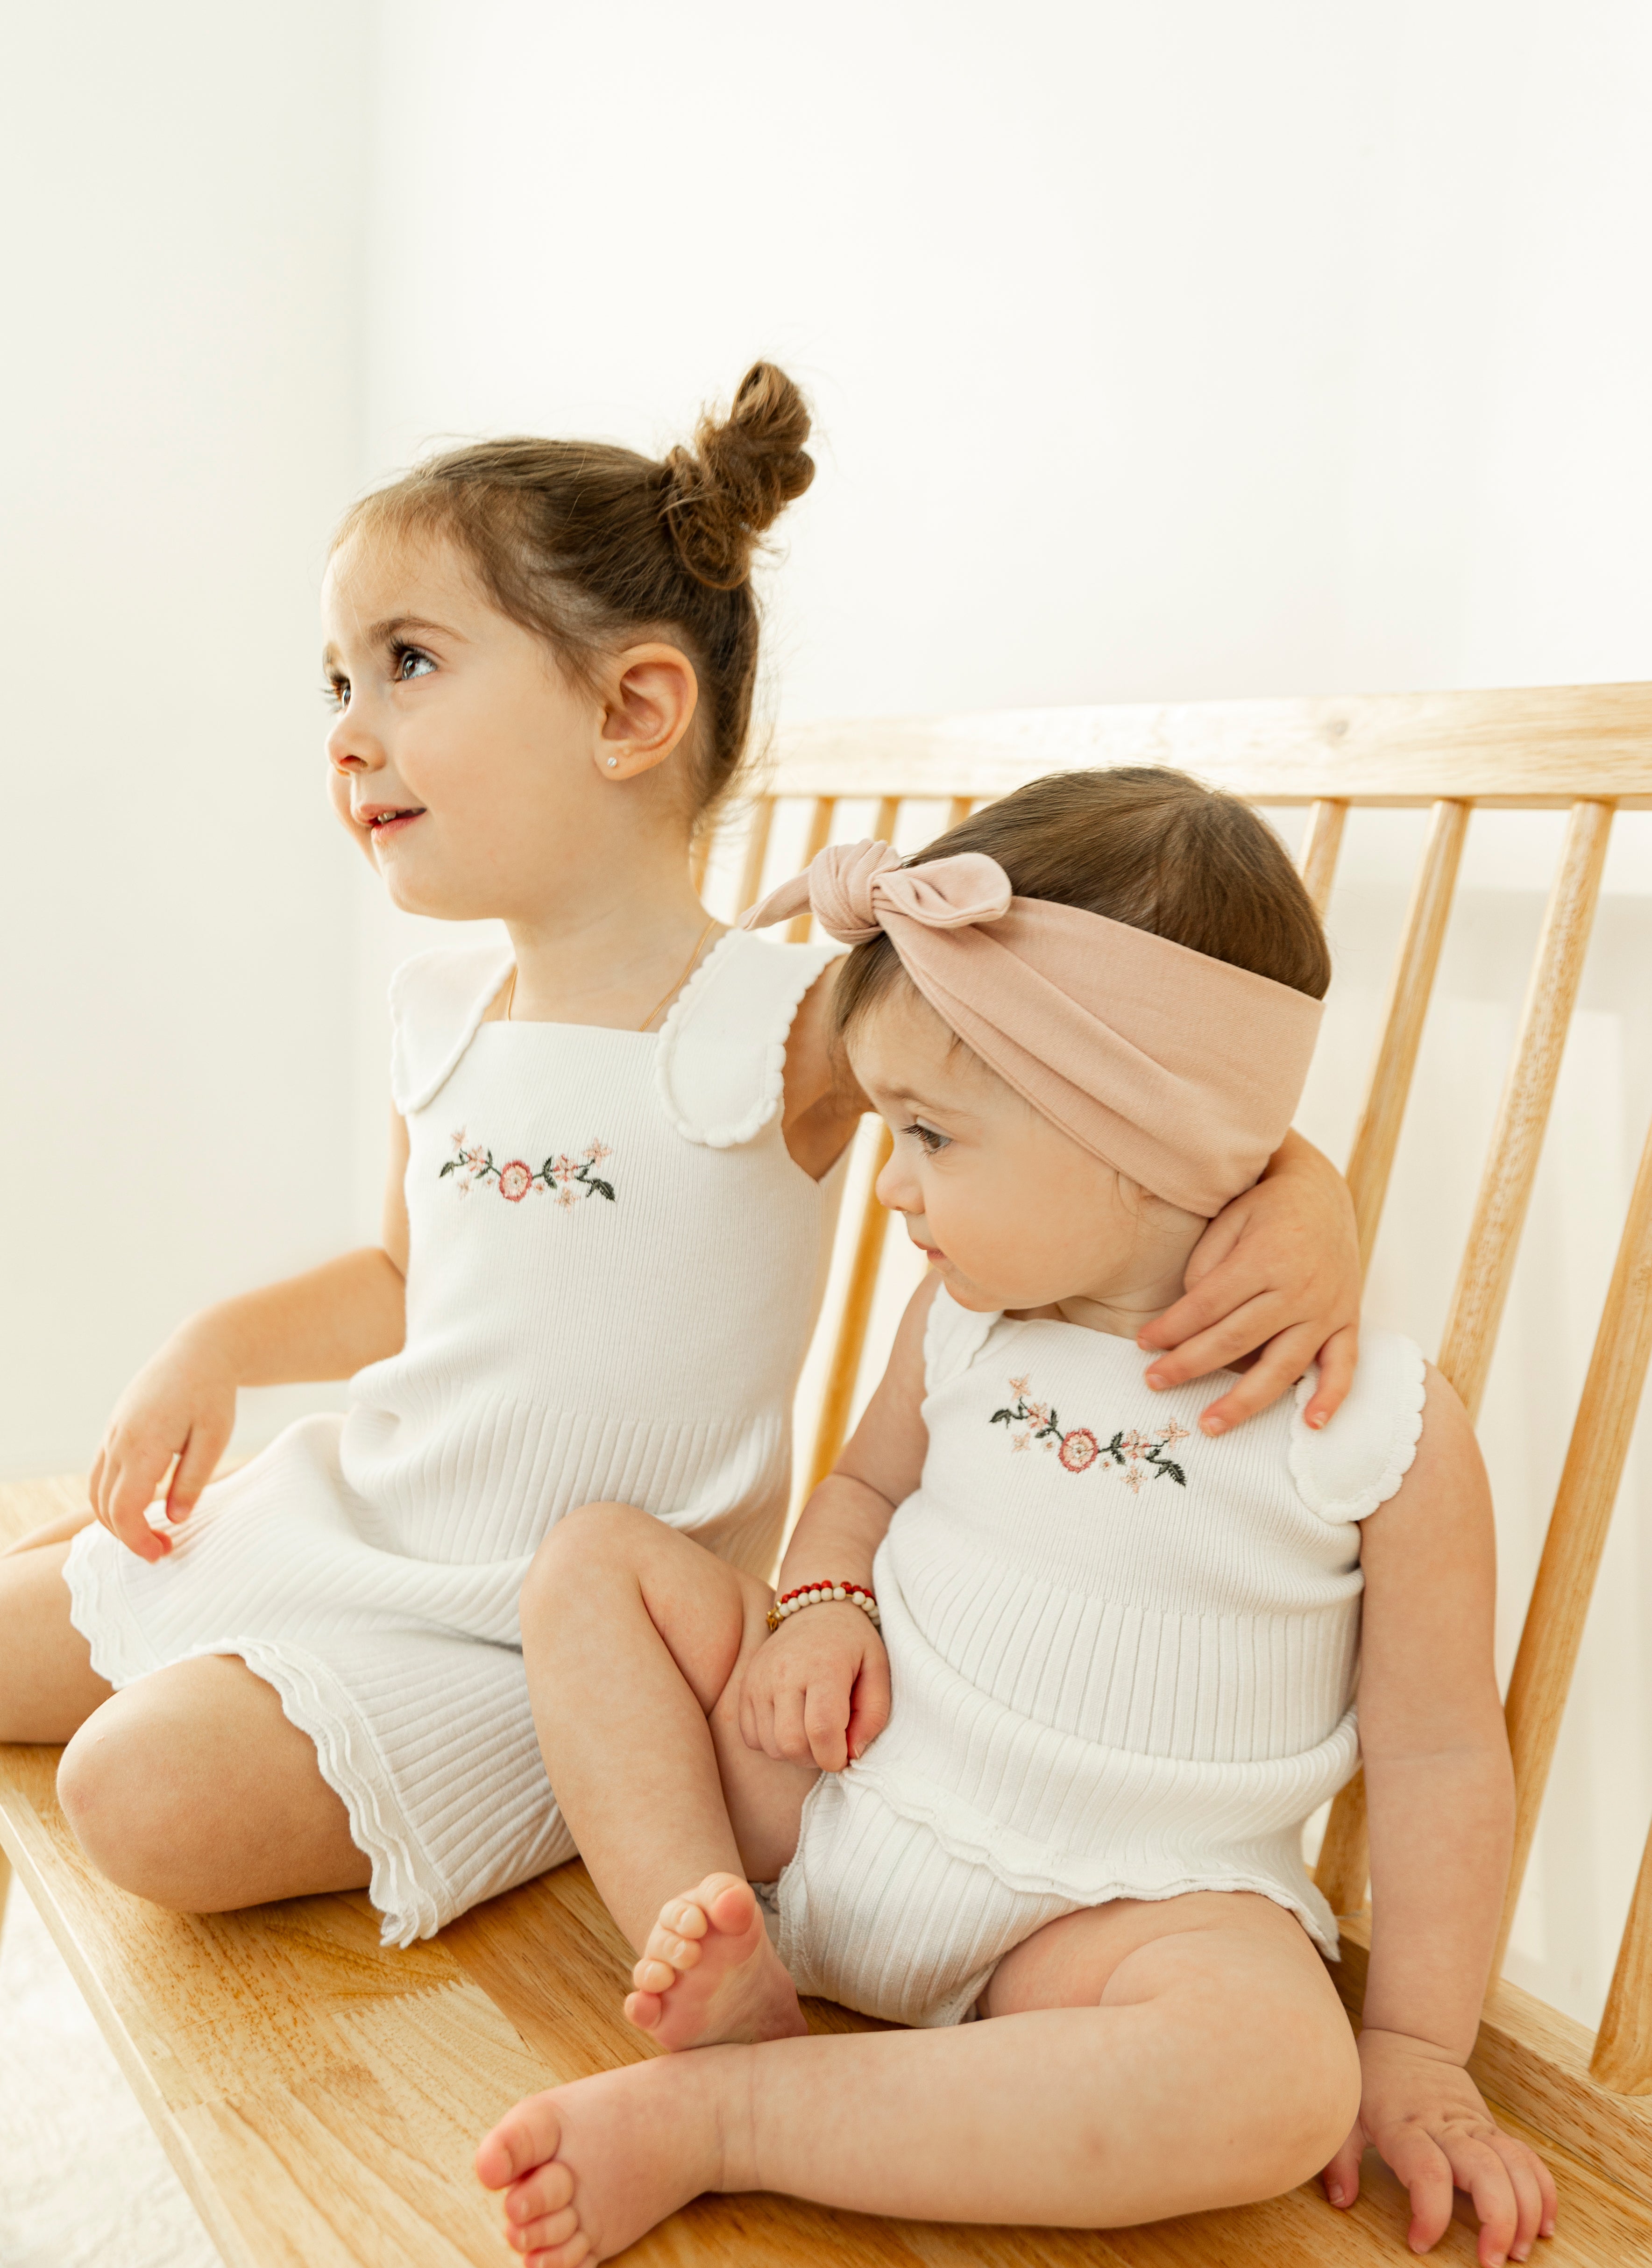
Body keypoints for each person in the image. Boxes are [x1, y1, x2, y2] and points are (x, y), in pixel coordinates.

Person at [0, 376, 1359, 1948]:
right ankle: (245, 1629)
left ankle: (538, 1767)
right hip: (362, 1517)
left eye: (408, 663)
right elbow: (399, 1279)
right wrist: (216, 1346)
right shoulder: (440, 1007)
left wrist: (1302, 1193)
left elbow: (1109, 1073)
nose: (349, 733)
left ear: (631, 712)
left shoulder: (786, 1023)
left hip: (550, 1638)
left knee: (134, 1791)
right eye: (336, 682)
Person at [476, 772, 1555, 2268]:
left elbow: (1440, 1755)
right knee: (593, 1562)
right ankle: (701, 1930)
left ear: (1134, 1132)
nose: (892, 1184)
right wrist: (825, 1601)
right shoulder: (964, 1319)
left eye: (928, 1132)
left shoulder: (1381, 1429)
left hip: (1100, 1926)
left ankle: (734, 2114)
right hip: (836, 1786)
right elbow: (857, 1493)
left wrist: (1418, 2049)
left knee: (1281, 2076)